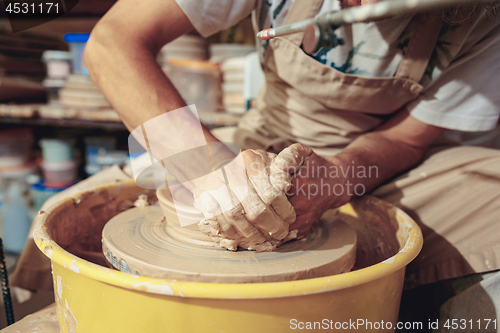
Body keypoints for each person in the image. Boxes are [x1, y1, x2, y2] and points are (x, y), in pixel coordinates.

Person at [12, 0, 500, 330]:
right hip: (257, 141)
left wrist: (338, 176)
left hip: (378, 164)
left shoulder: (482, 16)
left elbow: (406, 140)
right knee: (70, 214)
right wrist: (204, 166)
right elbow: (112, 42)